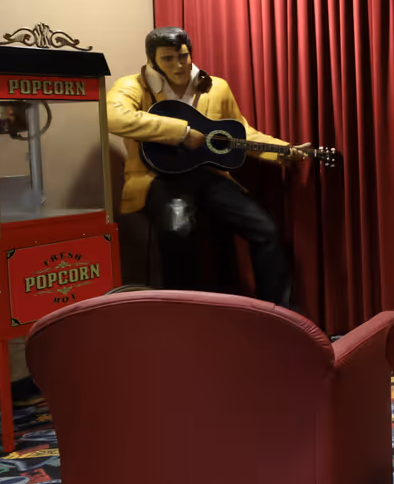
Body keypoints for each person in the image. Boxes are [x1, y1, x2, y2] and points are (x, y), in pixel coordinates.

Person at [107, 26, 309, 307]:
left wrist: (281, 150)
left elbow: (239, 133)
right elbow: (113, 117)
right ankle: (187, 320)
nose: (178, 65)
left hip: (209, 176)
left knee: (265, 230)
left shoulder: (216, 86)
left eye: (183, 56)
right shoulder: (133, 86)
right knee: (179, 232)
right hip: (157, 179)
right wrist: (181, 132)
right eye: (168, 58)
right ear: (152, 60)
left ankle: (277, 313)